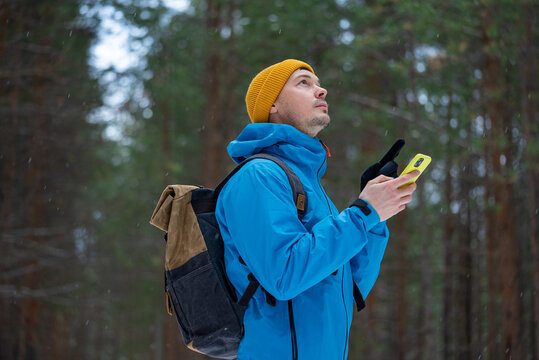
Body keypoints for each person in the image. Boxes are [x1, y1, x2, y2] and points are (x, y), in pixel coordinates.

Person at [215, 59, 418, 359]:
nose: (321, 90)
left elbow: (350, 287)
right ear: (273, 105)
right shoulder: (258, 176)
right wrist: (363, 214)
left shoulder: (308, 184)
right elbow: (284, 275)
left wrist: (374, 215)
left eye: (318, 83)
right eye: (303, 83)